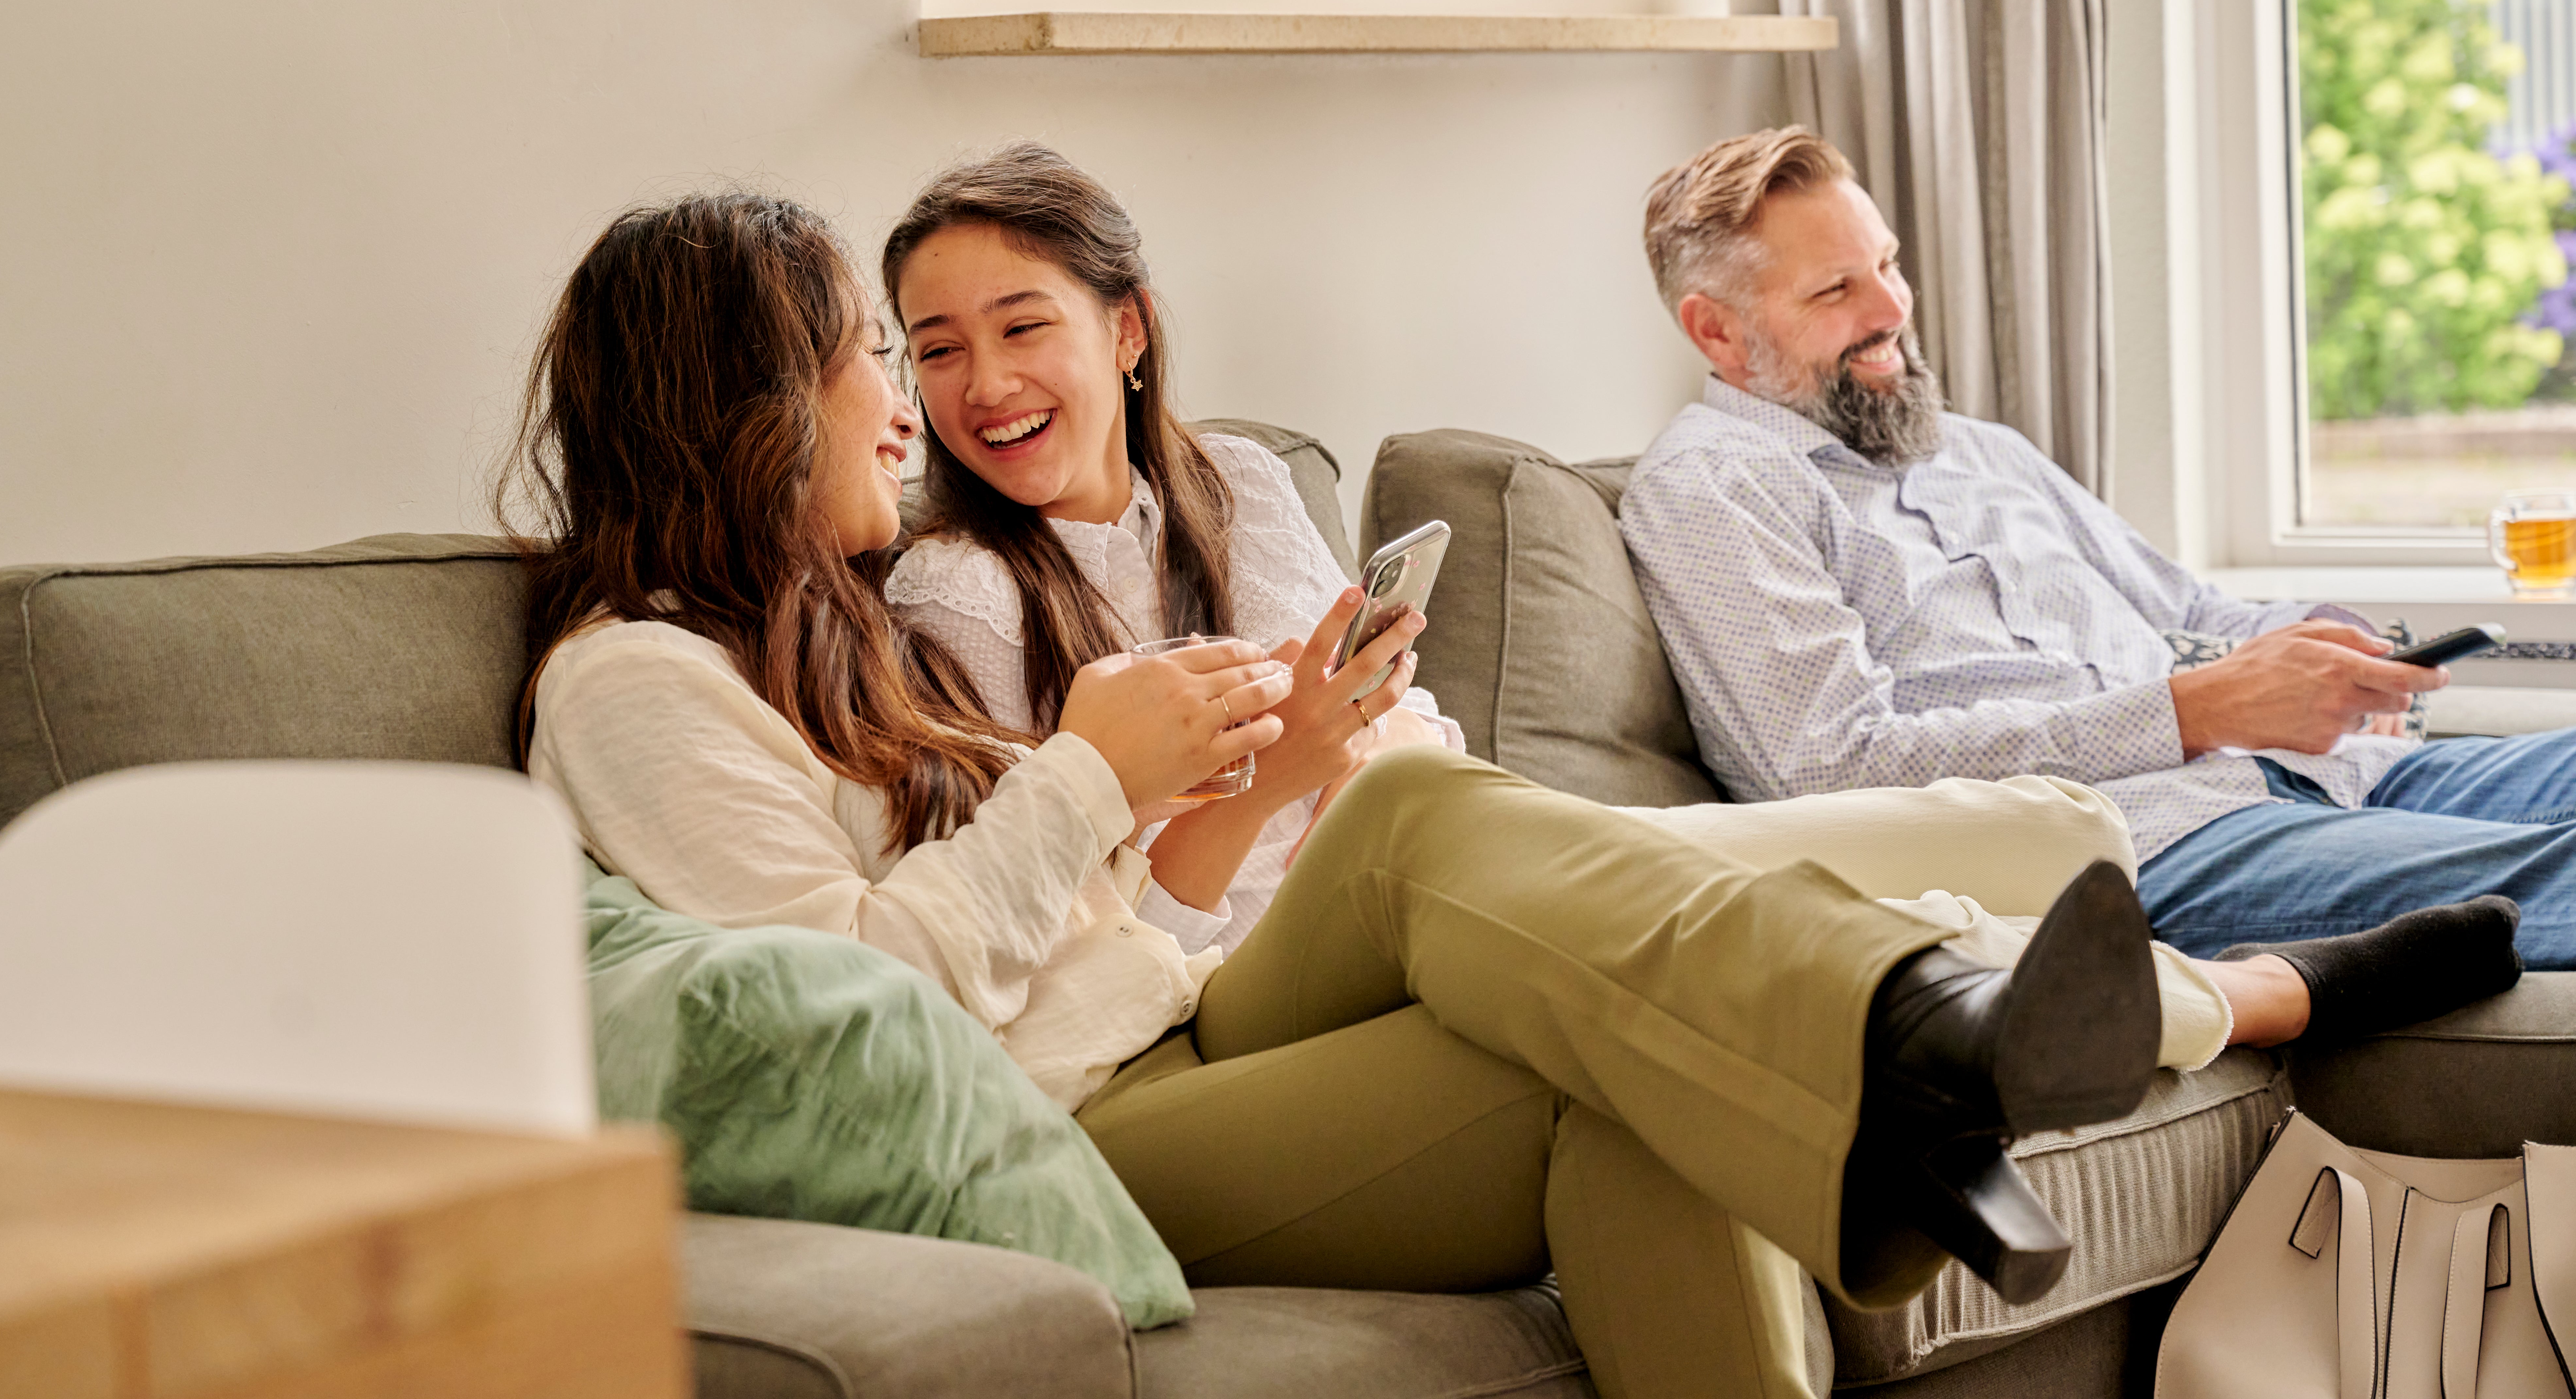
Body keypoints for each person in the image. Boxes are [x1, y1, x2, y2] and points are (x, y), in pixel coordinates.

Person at [503, 188, 2162, 1399]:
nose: (910, 404)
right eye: (880, 354)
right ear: (747, 405)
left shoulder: (824, 632)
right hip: (1066, 1112)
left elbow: (1105, 921)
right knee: (1625, 1079)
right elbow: (865, 1014)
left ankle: (1916, 1022)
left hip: (1154, 1005)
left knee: (1418, 821)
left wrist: (1196, 800)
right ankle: (1912, 1045)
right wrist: (1090, 772)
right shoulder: (635, 683)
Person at [874, 143, 2371, 1069]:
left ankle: (2094, 1006)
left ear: (1126, 332)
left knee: (2050, 827)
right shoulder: (957, 587)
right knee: (1705, 899)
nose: (984, 385)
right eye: (935, 350)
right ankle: (2227, 1005)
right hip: (1259, 963)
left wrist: (1379, 759)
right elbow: (1090, 910)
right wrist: (1303, 765)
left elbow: (1405, 720)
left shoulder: (1247, 489)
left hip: (1444, 850)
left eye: (1024, 328)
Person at [1618, 124, 2543, 1018]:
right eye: (1836, 291)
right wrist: (2194, 711)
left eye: (1890, 264)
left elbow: (2189, 607)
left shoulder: (1980, 451)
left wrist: (2324, 644)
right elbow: (1834, 770)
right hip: (2152, 851)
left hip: (2313, 775)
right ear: (1719, 333)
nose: (1894, 309)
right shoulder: (1713, 488)